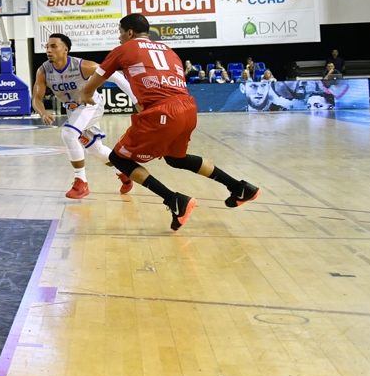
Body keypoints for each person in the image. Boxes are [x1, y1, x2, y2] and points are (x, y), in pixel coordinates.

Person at [75, 13, 260, 231]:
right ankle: (240, 187)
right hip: (188, 107)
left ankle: (174, 200)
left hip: (163, 111)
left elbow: (97, 78)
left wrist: (86, 94)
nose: (119, 37)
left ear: (130, 32)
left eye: (120, 32)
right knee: (176, 158)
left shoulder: (123, 49)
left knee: (118, 158)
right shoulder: (169, 51)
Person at [32, 32, 135, 199]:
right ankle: (123, 173)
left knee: (68, 133)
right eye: (47, 47)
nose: (48, 50)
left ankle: (81, 182)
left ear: (65, 49)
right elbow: (36, 98)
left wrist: (136, 99)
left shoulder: (82, 65)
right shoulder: (43, 71)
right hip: (73, 109)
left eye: (53, 46)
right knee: (96, 150)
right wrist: (43, 112)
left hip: (90, 104)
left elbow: (115, 76)